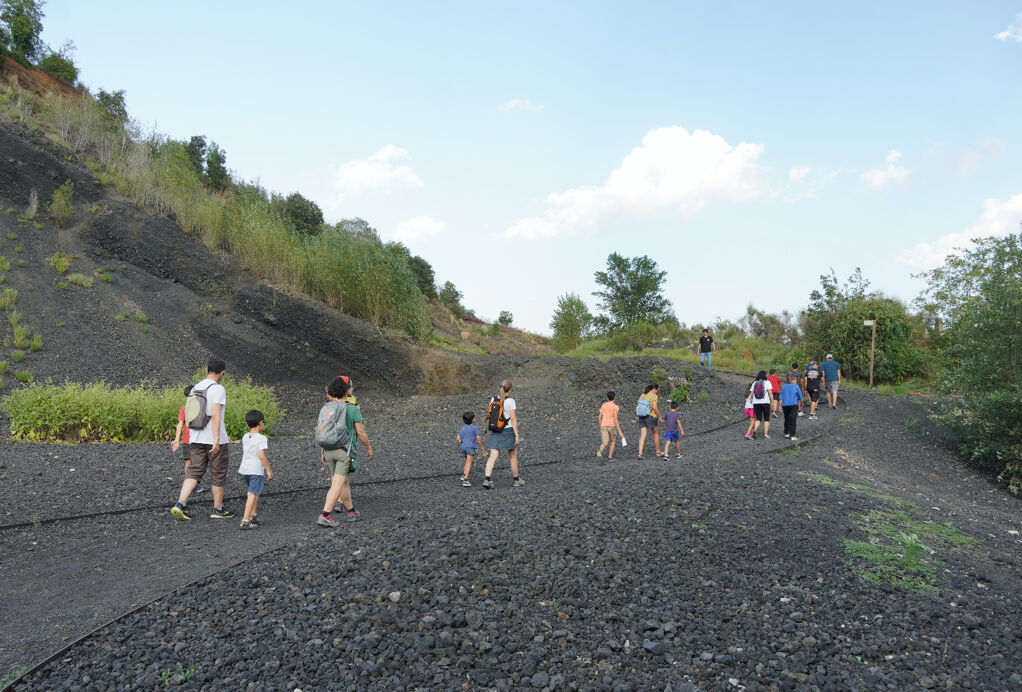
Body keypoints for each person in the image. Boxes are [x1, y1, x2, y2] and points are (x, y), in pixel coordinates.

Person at [170, 358, 232, 521]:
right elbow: (216, 414)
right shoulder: (218, 389)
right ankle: (217, 509)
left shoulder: (195, 388)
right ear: (222, 373)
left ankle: (180, 503)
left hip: (195, 437)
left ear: (206, 370)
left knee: (194, 471)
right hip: (213, 439)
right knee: (218, 473)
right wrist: (217, 440)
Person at [317, 376, 373, 527]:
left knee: (343, 482)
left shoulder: (327, 408)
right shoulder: (352, 408)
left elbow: (324, 429)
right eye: (351, 387)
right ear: (346, 390)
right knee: (337, 483)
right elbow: (361, 432)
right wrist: (368, 448)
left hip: (329, 450)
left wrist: (322, 451)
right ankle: (325, 515)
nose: (352, 389)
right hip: (344, 452)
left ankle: (351, 511)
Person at [483, 380, 524, 489]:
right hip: (508, 430)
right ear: (509, 390)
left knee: (493, 455)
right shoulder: (511, 401)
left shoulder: (493, 399)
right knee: (512, 456)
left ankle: (487, 479)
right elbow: (513, 419)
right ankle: (516, 480)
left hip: (496, 430)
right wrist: (516, 435)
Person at [238, 409, 273, 530]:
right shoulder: (262, 438)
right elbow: (261, 454)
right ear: (261, 422)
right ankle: (245, 521)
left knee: (255, 492)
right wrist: (268, 470)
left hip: (244, 470)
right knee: (252, 494)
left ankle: (253, 516)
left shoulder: (245, 437)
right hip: (256, 470)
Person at [171, 385, 204, 494]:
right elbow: (179, 425)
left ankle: (194, 484)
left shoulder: (201, 408)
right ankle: (190, 484)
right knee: (189, 462)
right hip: (187, 440)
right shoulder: (184, 409)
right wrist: (177, 439)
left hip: (198, 439)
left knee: (197, 462)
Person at [458, 412, 486, 487]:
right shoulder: (474, 428)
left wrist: (462, 443)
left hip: (463, 447)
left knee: (467, 462)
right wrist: (482, 449)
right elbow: (478, 438)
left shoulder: (462, 428)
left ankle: (464, 475)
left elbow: (458, 438)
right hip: (470, 447)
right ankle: (465, 480)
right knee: (469, 463)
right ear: (472, 419)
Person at [636, 384, 661, 459]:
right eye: (657, 390)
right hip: (650, 416)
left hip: (641, 416)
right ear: (654, 389)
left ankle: (640, 454)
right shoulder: (654, 396)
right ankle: (658, 452)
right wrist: (659, 416)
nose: (657, 391)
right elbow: (655, 408)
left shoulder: (642, 395)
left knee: (643, 435)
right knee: (655, 434)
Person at [596, 391, 624, 460]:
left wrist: (601, 426)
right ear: (615, 398)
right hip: (611, 426)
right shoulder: (615, 407)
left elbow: (599, 417)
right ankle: (610, 456)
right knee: (613, 441)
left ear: (607, 397)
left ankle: (599, 453)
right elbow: (615, 419)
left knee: (605, 443)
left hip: (603, 426)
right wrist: (620, 431)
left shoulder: (603, 405)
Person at [748, 370, 773, 439]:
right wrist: (772, 401)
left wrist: (751, 399)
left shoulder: (755, 382)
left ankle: (755, 429)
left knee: (758, 418)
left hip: (756, 403)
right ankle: (765, 434)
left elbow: (751, 393)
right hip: (765, 402)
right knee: (766, 418)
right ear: (765, 376)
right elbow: (770, 393)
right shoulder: (767, 382)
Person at [780, 373, 803, 441]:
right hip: (793, 404)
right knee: (793, 419)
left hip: (785, 405)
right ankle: (792, 435)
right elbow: (800, 396)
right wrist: (801, 403)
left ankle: (786, 433)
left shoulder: (784, 387)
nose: (796, 381)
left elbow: (781, 397)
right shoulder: (796, 386)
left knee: (786, 419)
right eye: (796, 379)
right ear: (792, 380)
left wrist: (780, 405)